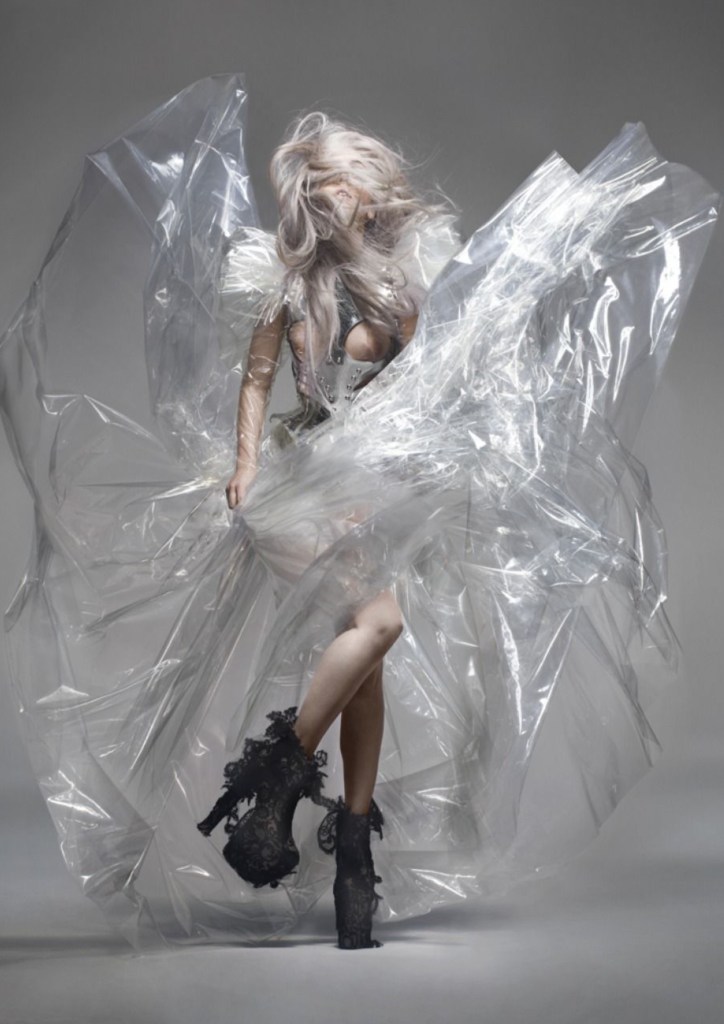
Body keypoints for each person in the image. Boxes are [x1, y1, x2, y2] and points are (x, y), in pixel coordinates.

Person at [195, 111, 460, 950]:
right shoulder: (284, 281)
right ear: (319, 192)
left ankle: (349, 850)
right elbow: (256, 379)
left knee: (366, 656)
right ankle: (281, 785)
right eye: (342, 186)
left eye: (362, 187)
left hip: (368, 494)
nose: (356, 199)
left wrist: (388, 479)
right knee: (379, 624)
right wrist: (244, 466)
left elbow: (422, 395)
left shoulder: (399, 284)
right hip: (294, 487)